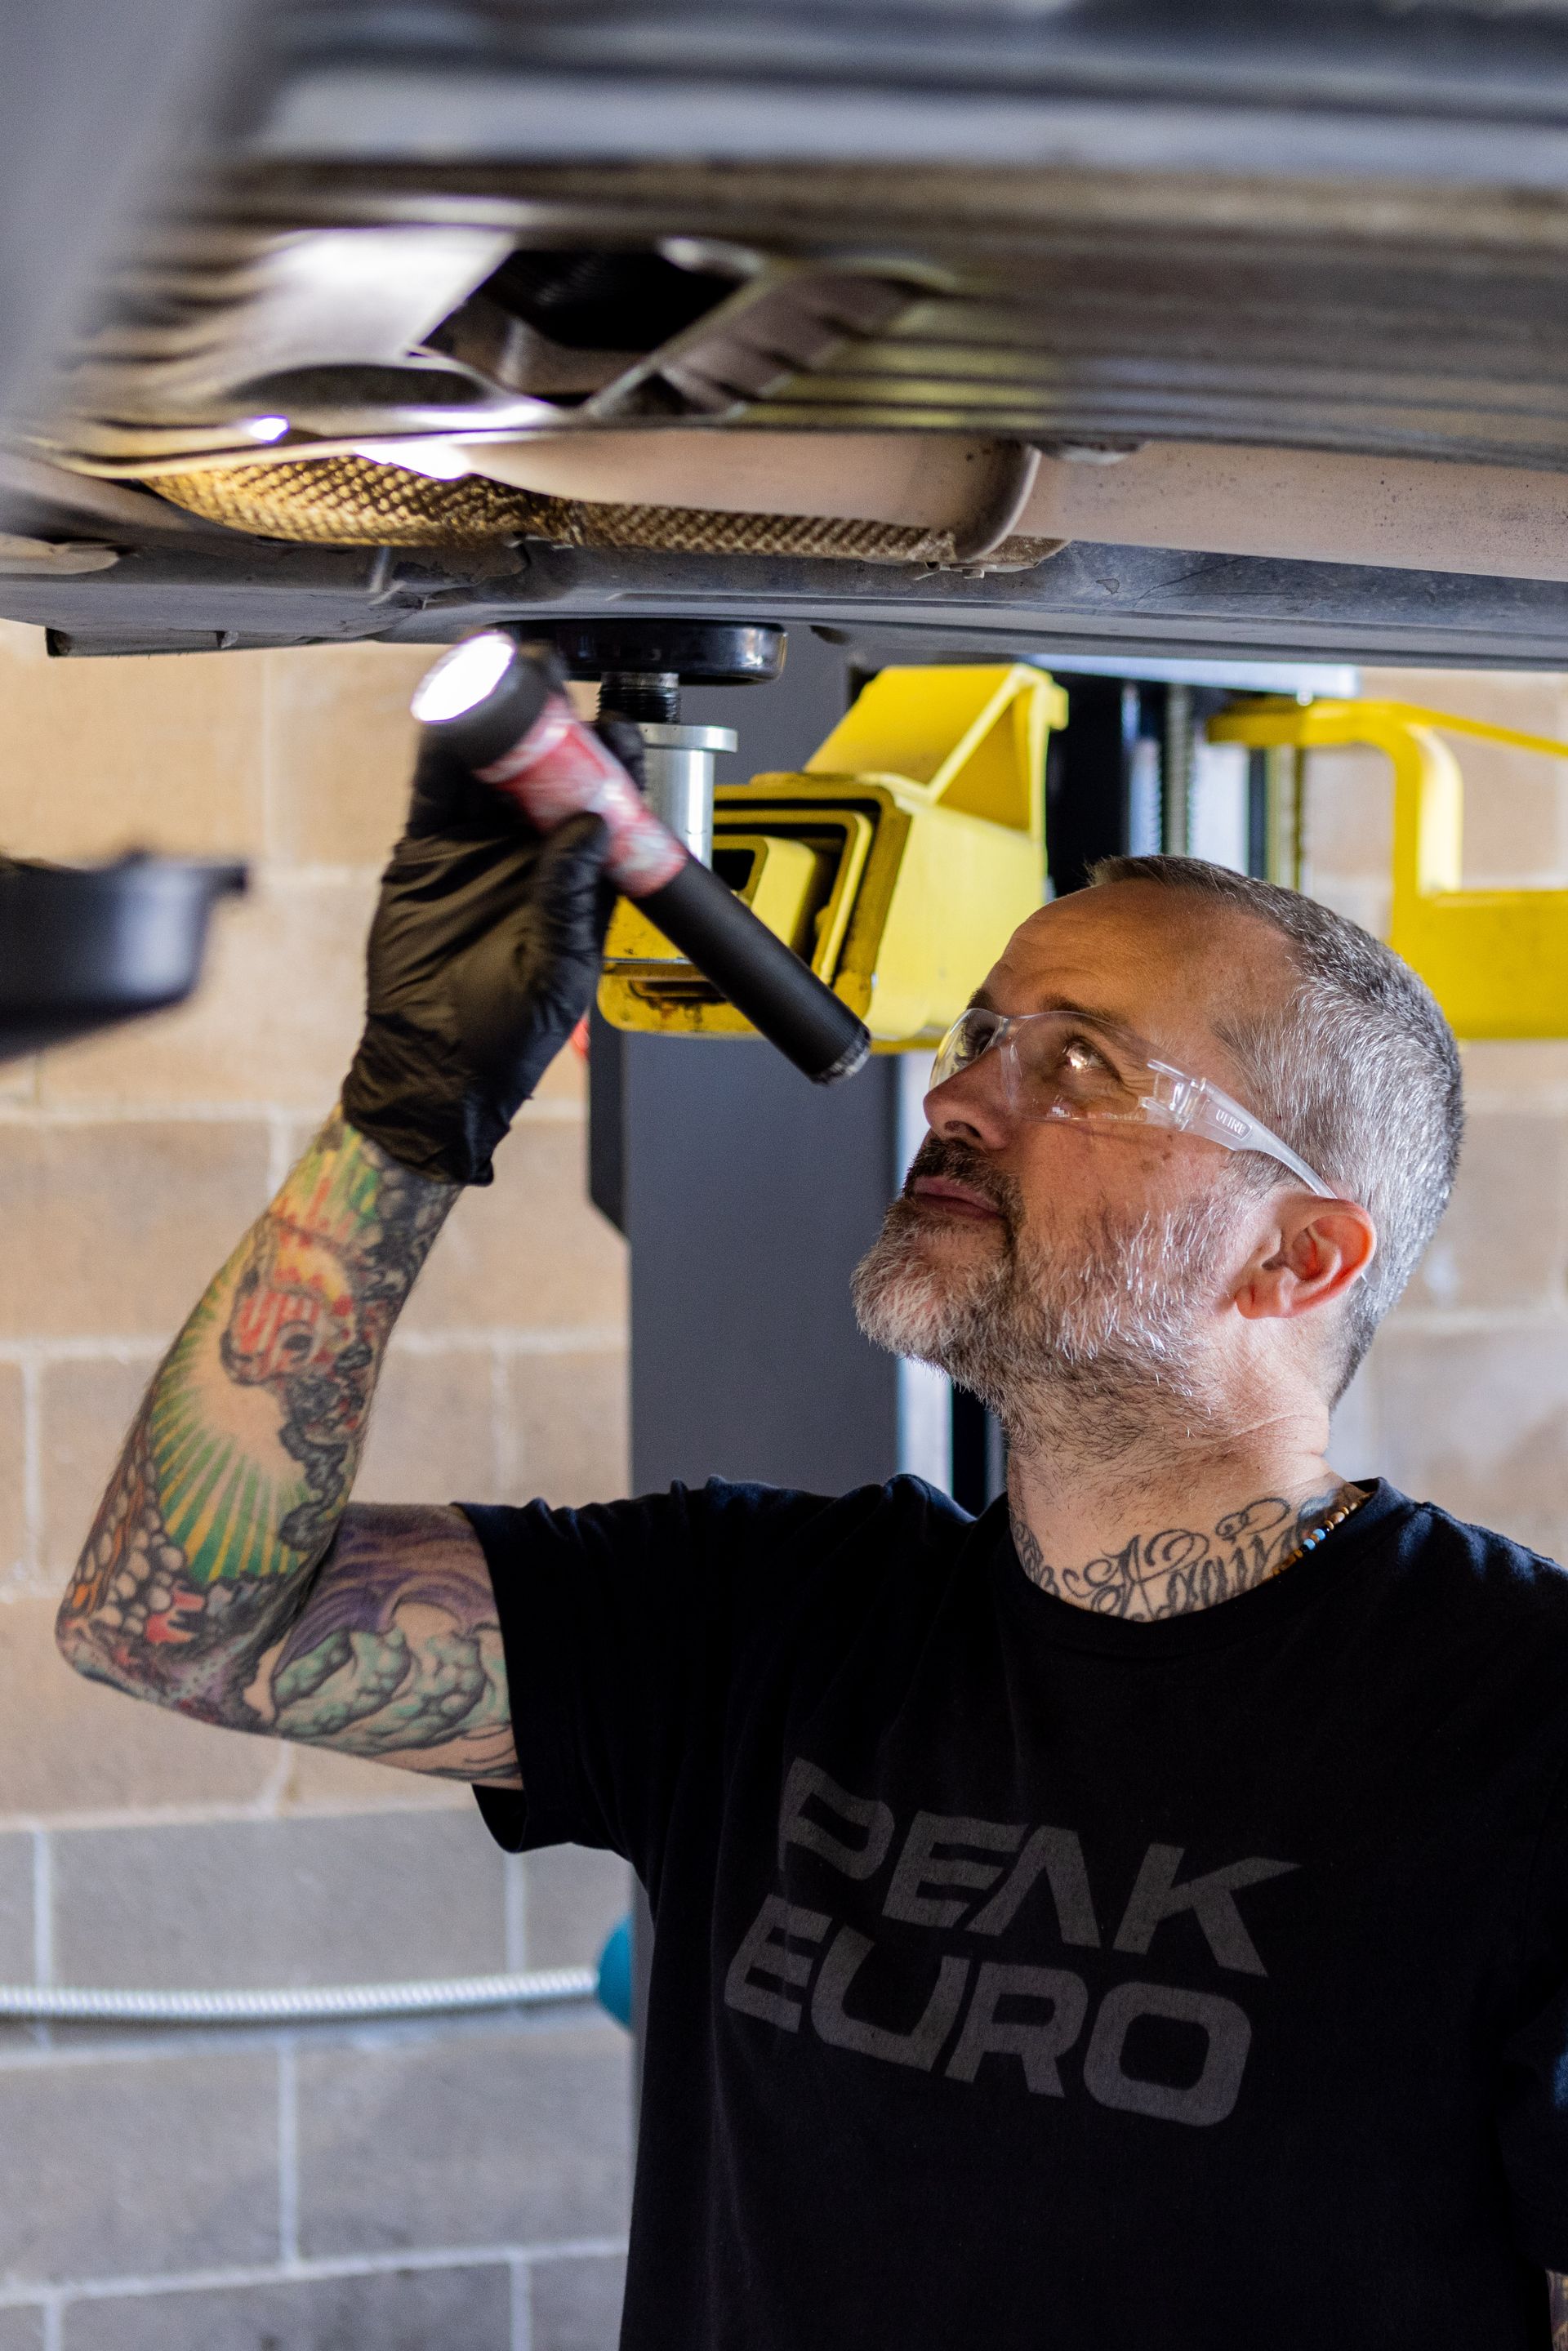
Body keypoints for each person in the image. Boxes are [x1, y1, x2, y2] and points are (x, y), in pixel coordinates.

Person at [53, 714, 1568, 2351]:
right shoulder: (755, 1623)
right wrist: (410, 1103)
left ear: (1300, 1258)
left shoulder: (1526, 1722)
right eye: (985, 1033)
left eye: (1082, 1062)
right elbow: (174, 1619)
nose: (969, 1095)